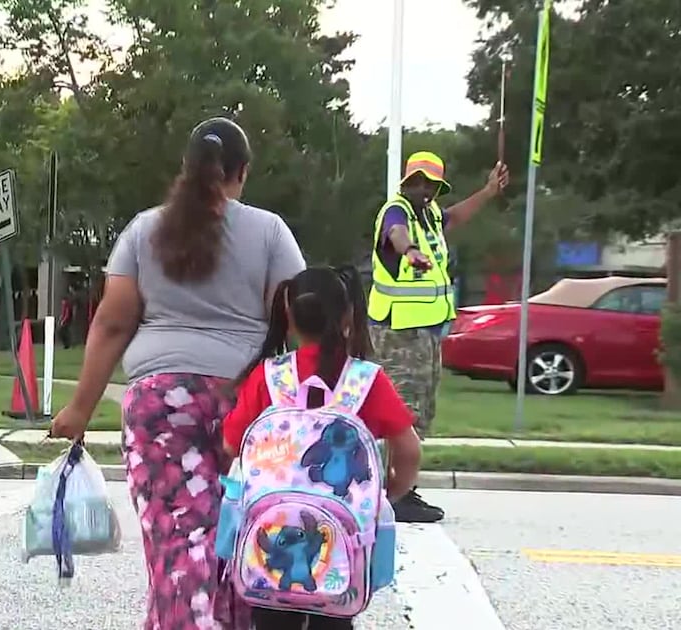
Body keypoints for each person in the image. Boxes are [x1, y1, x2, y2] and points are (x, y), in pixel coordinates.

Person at [49, 117, 306, 629]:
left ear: (185, 168)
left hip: (159, 407)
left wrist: (80, 407)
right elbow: (301, 318)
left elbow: (112, 322)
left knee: (177, 545)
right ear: (242, 172)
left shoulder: (145, 230)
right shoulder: (269, 231)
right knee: (240, 539)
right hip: (247, 405)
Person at [220, 266, 423, 630]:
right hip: (343, 543)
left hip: (271, 534)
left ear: (289, 316)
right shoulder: (365, 380)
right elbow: (409, 450)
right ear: (348, 316)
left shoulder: (269, 376)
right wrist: (386, 493)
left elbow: (231, 444)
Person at [367, 151, 508, 523]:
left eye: (431, 184)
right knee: (397, 413)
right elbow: (396, 235)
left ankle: (400, 488)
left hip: (425, 333)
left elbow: (456, 215)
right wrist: (409, 251)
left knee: (419, 412)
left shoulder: (428, 216)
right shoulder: (396, 212)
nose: (424, 189)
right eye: (418, 181)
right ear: (406, 181)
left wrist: (488, 192)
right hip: (399, 332)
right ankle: (389, 496)